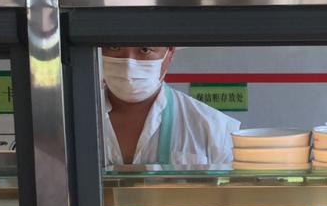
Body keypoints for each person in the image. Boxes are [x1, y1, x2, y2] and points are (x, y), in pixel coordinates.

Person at [101, 46, 239, 166]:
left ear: (170, 53)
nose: (128, 64)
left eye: (145, 49)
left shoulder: (215, 130)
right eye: (114, 47)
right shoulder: (86, 120)